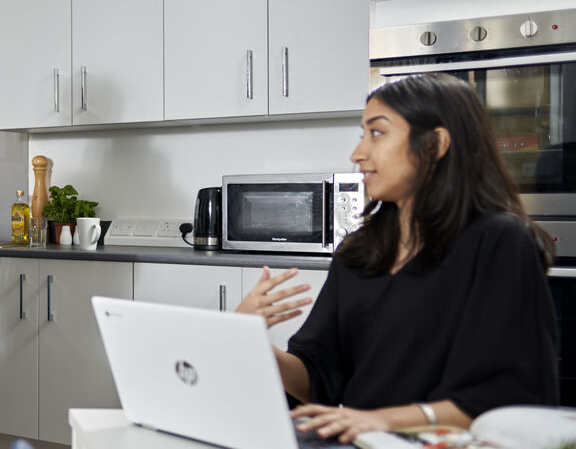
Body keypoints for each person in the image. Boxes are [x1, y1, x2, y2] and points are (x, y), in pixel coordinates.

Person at [237, 73, 559, 444]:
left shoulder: (498, 242)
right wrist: (249, 339)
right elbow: (318, 379)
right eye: (362, 134)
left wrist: (382, 421)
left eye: (377, 133)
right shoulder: (359, 251)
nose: (358, 153)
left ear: (435, 144)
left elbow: (508, 397)